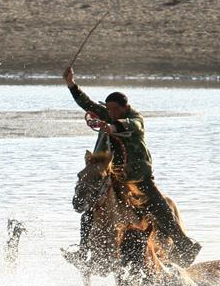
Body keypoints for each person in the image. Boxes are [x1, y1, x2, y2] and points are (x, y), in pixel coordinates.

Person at [63, 66, 201, 267]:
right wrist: (71, 84)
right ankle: (83, 252)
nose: (110, 113)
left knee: (159, 207)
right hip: (114, 178)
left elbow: (129, 125)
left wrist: (112, 127)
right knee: (90, 211)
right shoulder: (109, 115)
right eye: (108, 109)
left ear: (125, 108)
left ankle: (184, 244)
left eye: (114, 109)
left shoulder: (136, 120)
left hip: (139, 178)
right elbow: (88, 104)